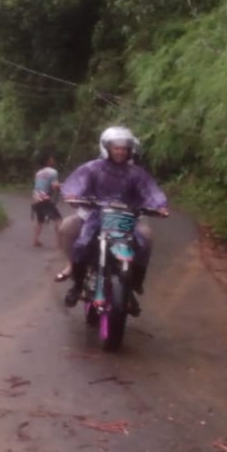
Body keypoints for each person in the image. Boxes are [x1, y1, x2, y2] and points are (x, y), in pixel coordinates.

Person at [56, 126, 169, 312]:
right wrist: (72, 194)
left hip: (128, 217)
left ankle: (133, 285)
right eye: (117, 147)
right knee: (72, 234)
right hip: (94, 215)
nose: (121, 151)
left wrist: (160, 205)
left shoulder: (136, 173)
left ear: (130, 150)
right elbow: (76, 183)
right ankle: (76, 281)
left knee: (146, 237)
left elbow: (150, 190)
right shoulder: (92, 168)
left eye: (124, 148)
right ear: (106, 147)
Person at [31, 151, 62, 248]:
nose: (53, 159)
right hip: (45, 200)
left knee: (40, 220)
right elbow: (54, 186)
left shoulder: (38, 173)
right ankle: (59, 243)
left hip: (36, 199)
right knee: (58, 220)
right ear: (48, 160)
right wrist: (63, 185)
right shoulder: (53, 172)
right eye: (51, 158)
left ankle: (35, 240)